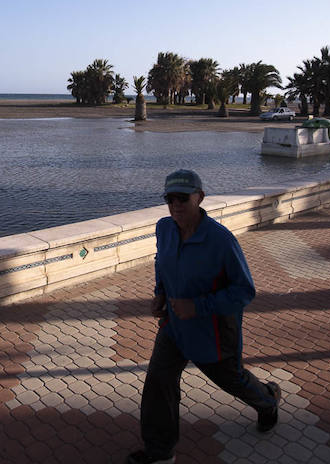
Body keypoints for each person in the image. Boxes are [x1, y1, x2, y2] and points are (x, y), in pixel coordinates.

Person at [126, 169, 281, 464]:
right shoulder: (164, 228)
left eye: (183, 198)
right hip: (174, 327)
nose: (176, 205)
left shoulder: (221, 241)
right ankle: (160, 453)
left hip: (213, 332)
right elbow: (162, 263)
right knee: (159, 381)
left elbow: (244, 291)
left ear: (200, 197)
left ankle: (268, 401)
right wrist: (160, 292)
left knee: (232, 381)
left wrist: (197, 307)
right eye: (169, 198)